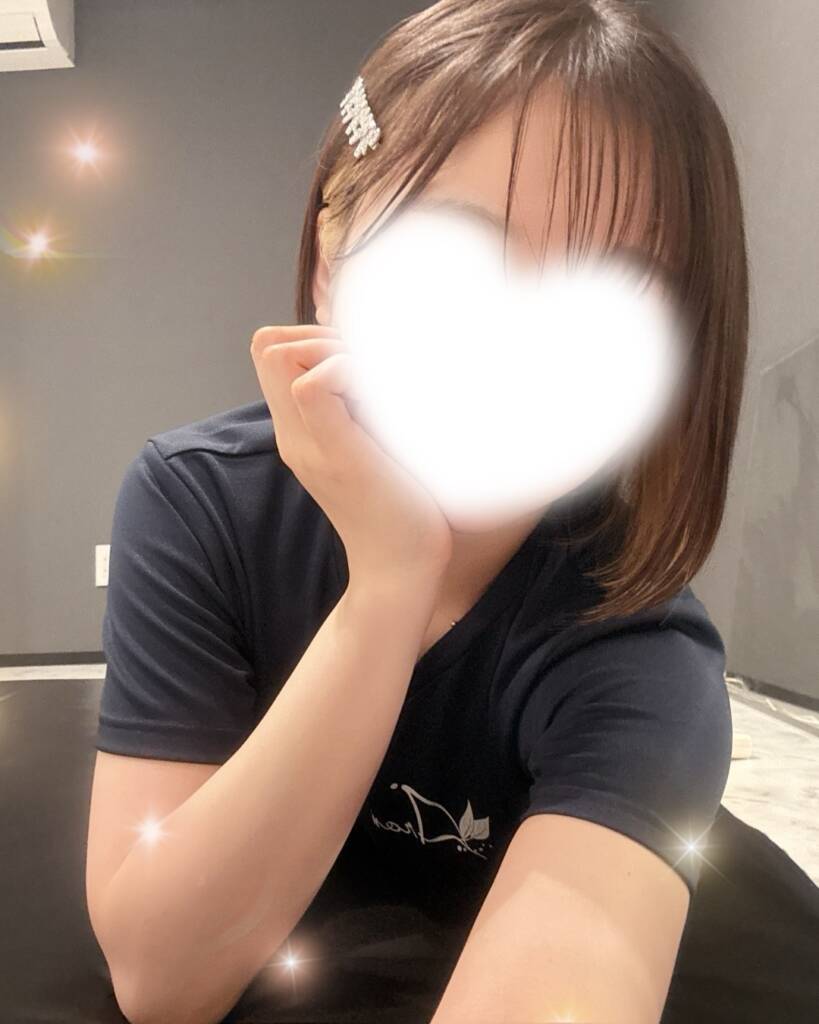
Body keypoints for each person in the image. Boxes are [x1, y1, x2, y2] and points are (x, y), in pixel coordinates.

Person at [84, 2, 769, 1022]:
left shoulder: (638, 652)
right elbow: (162, 980)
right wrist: (389, 584)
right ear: (332, 263)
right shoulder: (199, 501)